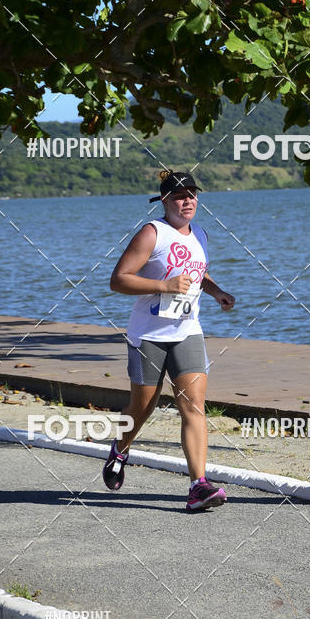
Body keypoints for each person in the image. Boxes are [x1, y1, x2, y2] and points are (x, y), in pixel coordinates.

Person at [106, 170, 235, 512]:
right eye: (180, 195)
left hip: (187, 331)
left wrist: (216, 290)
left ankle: (198, 486)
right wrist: (163, 286)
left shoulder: (201, 235)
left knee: (193, 406)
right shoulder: (153, 233)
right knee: (142, 407)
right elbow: (118, 280)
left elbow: (197, 273)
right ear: (164, 200)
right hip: (148, 334)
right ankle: (119, 449)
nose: (188, 200)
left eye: (192, 194)